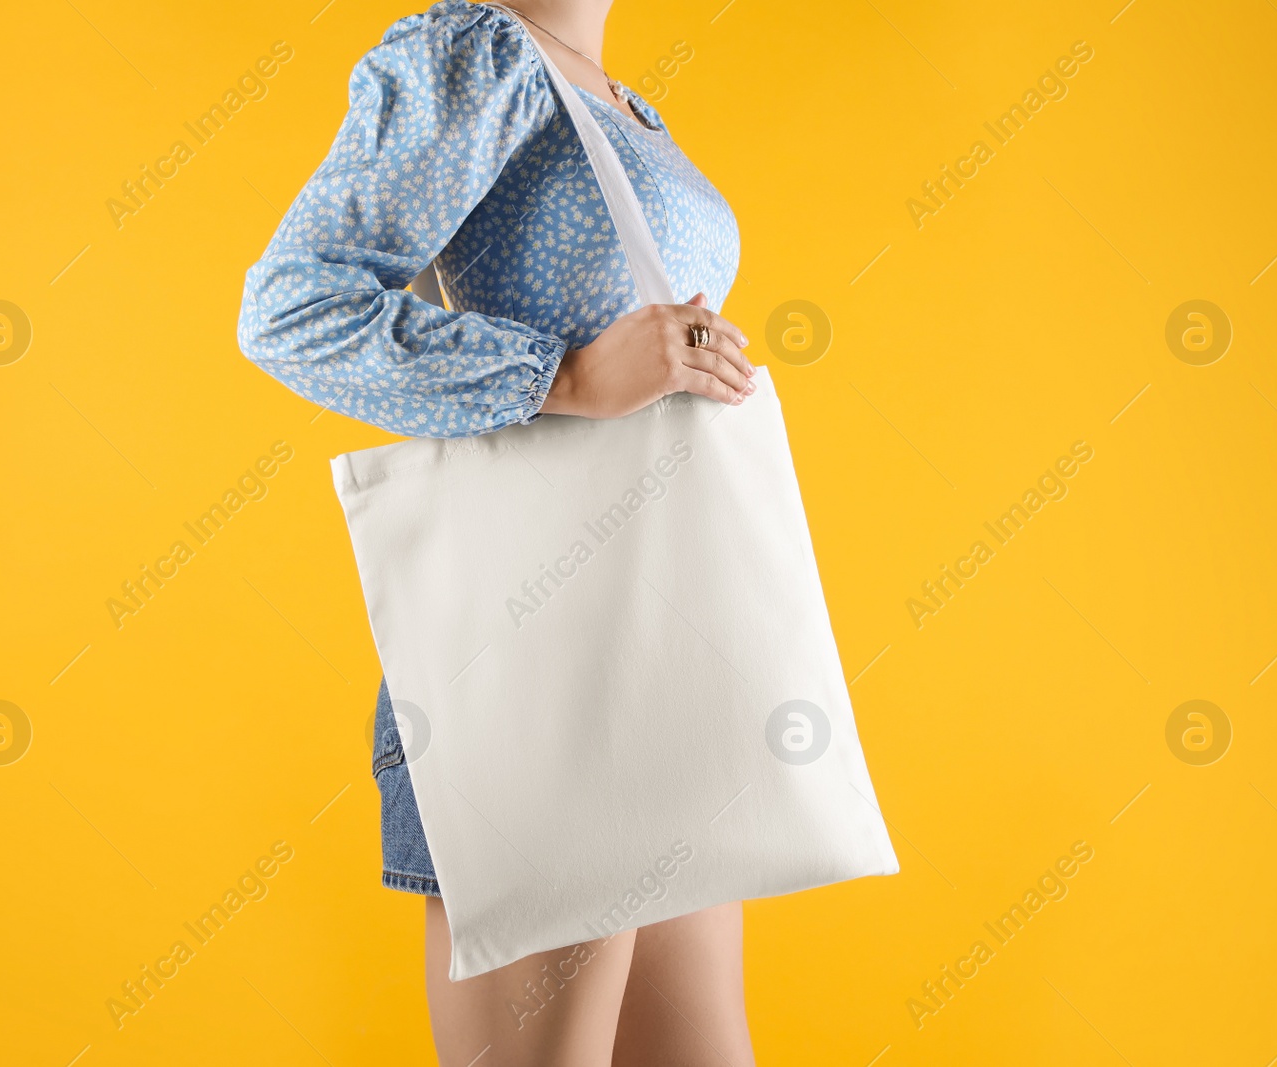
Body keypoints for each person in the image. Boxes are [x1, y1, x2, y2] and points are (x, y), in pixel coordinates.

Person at [238, 2, 756, 1062]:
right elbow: (292, 306)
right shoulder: (475, 52)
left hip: (654, 637)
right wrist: (561, 376)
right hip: (535, 652)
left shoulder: (616, 100)